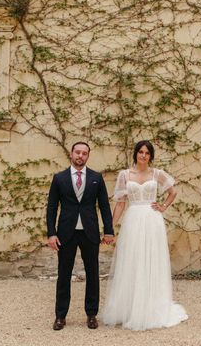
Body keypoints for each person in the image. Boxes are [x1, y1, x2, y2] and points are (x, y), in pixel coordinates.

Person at [102, 140, 188, 330]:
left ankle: (150, 307)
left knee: (151, 260)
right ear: (135, 154)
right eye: (140, 152)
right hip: (133, 220)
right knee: (132, 261)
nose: (143, 155)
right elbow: (121, 204)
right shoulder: (125, 175)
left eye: (147, 153)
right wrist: (110, 228)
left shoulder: (157, 174)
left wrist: (163, 206)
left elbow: (173, 192)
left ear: (150, 156)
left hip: (152, 220)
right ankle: (130, 307)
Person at [46, 141, 115, 331]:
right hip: (65, 234)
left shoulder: (96, 178)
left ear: (88, 156)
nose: (80, 156)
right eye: (78, 152)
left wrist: (108, 230)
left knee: (93, 274)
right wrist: (51, 233)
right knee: (64, 274)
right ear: (71, 154)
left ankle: (91, 315)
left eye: (84, 153)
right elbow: (52, 207)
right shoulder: (59, 178)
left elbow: (104, 206)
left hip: (89, 232)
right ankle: (60, 316)